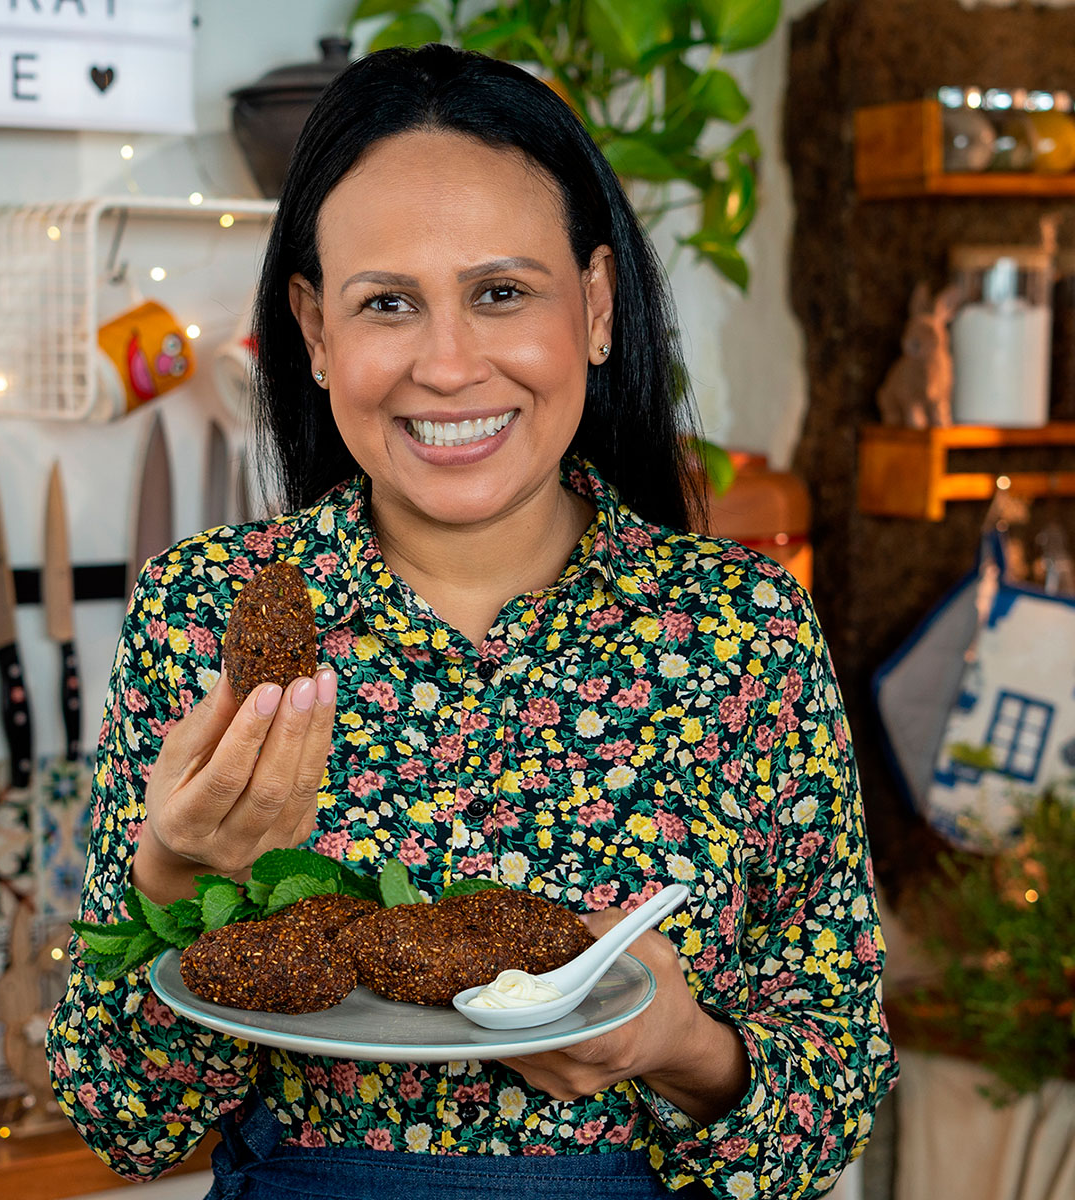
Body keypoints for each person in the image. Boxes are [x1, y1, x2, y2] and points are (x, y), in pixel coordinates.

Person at [47, 43, 897, 1200]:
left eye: (501, 293)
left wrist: (681, 1046)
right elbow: (121, 1125)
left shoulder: (743, 632)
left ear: (595, 306)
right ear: (314, 331)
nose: (446, 365)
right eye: (386, 304)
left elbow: (837, 1095)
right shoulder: (209, 614)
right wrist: (172, 874)